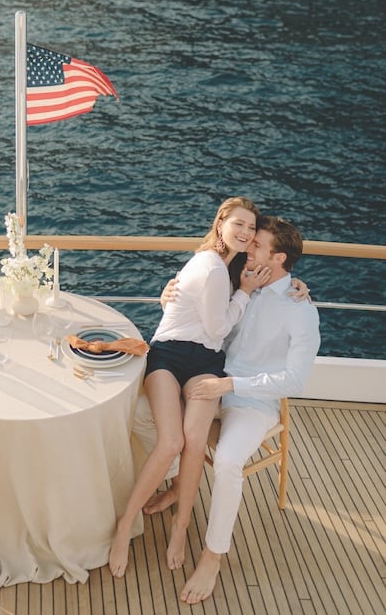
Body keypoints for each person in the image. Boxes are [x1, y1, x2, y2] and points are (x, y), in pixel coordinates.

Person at [144, 215, 320, 605]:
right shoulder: (240, 274)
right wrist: (169, 292)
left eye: (255, 245)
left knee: (225, 461)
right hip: (209, 377)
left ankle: (212, 556)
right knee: (154, 414)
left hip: (250, 400)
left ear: (278, 259)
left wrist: (231, 385)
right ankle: (178, 486)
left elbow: (295, 381)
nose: (246, 247)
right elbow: (199, 294)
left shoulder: (301, 309)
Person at [108, 197, 270, 579]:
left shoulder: (230, 267)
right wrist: (244, 294)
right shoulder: (213, 268)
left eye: (251, 228)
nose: (246, 233)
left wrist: (291, 286)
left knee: (196, 439)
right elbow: (217, 329)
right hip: (168, 357)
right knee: (172, 442)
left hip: (205, 364)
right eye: (239, 225)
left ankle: (180, 526)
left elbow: (200, 320)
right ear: (221, 225)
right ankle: (123, 525)